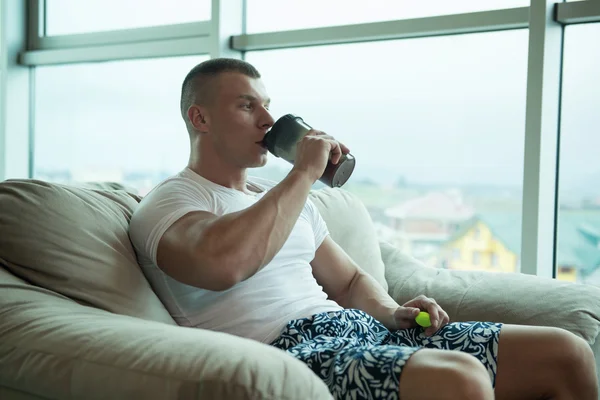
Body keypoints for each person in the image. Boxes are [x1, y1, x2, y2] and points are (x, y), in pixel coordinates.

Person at [129, 58, 598, 400]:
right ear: (200, 117)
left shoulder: (282, 199)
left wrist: (392, 310)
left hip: (360, 331)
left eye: (268, 106)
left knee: (566, 352)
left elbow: (349, 280)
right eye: (247, 106)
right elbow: (225, 265)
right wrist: (302, 174)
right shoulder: (171, 201)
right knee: (460, 377)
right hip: (287, 354)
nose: (269, 120)